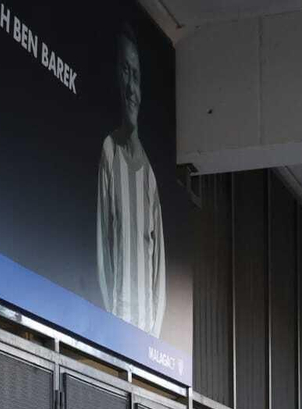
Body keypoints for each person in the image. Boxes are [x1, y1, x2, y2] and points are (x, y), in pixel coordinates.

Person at [96, 22, 165, 336]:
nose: (130, 86)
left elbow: (159, 272)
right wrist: (110, 324)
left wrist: (152, 338)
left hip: (145, 339)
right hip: (116, 328)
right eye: (124, 71)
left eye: (135, 75)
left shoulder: (149, 177)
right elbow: (102, 243)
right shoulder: (109, 152)